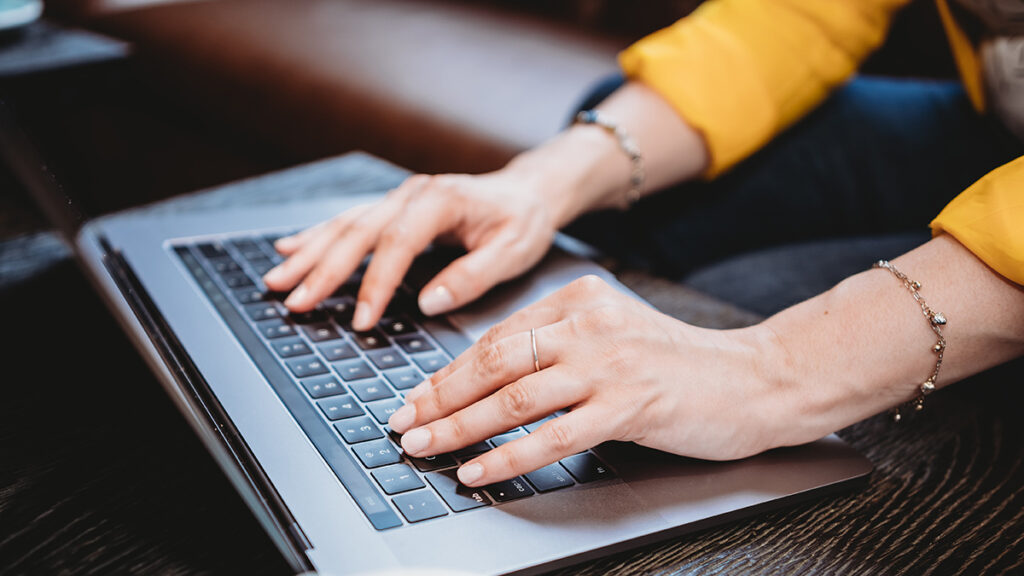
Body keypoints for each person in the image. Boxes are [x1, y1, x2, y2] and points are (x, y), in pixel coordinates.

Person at [263, 0, 1024, 489]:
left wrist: (772, 368)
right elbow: (801, 13)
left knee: (747, 302)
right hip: (995, 129)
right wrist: (535, 186)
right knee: (608, 145)